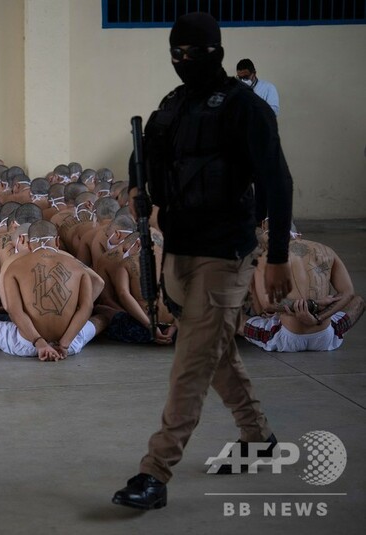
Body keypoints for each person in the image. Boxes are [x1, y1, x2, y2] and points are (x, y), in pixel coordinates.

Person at [112, 13, 294, 510]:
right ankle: (258, 437)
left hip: (226, 252)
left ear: (217, 52)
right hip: (179, 248)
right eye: (176, 54)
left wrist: (278, 256)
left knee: (191, 363)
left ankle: (155, 472)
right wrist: (137, 186)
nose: (183, 61)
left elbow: (278, 182)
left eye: (193, 52)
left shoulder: (246, 107)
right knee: (215, 352)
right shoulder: (173, 104)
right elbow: (143, 155)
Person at [0, 221, 106, 361]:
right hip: (69, 344)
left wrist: (40, 344)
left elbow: (15, 311)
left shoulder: (14, 267)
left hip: (26, 344)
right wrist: (64, 345)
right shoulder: (78, 266)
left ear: (28, 245)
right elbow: (87, 308)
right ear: (57, 241)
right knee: (102, 318)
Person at [242, 224, 363, 352]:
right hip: (325, 336)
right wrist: (317, 317)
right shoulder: (326, 251)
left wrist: (311, 304)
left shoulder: (264, 257)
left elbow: (268, 305)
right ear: (298, 235)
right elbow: (348, 293)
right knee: (358, 301)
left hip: (287, 338)